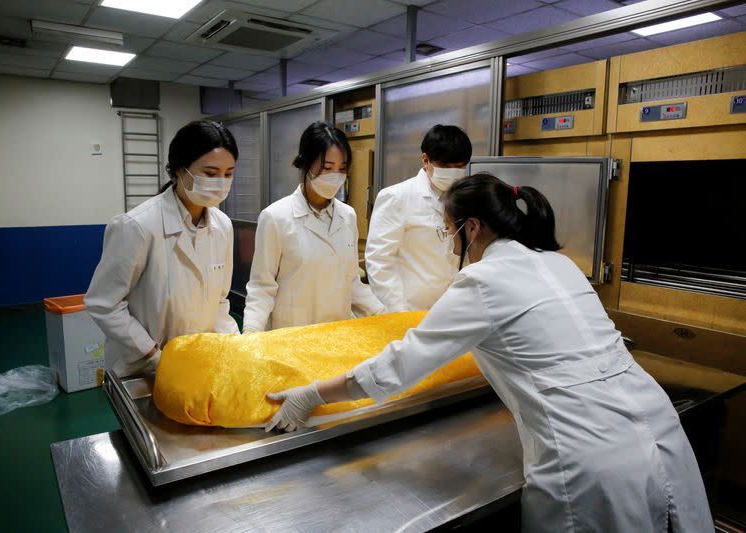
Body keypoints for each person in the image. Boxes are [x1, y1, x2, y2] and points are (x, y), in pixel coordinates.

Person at [264, 173, 714, 532]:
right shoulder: (559, 263)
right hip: (655, 424)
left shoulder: (483, 281)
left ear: (472, 228)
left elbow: (401, 365)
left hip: (589, 451)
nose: (450, 243)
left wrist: (313, 395)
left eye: (448, 232)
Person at [85, 120, 240, 376]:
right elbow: (104, 303)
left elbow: (219, 301)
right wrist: (153, 355)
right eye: (210, 174)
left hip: (199, 364)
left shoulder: (222, 226)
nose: (220, 182)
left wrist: (234, 345)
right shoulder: (138, 226)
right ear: (179, 170)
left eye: (229, 173)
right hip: (143, 367)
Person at [242, 122, 383, 332]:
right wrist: (251, 334)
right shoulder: (276, 217)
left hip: (337, 333)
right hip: (292, 336)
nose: (335, 175)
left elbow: (351, 281)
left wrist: (384, 313)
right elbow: (262, 288)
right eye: (327, 168)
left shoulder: (348, 216)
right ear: (306, 164)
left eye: (342, 168)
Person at [365, 124, 472, 312]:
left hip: (452, 309)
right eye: (446, 166)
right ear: (425, 160)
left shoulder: (466, 199)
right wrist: (399, 310)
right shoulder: (397, 197)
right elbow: (379, 260)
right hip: (409, 309)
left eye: (460, 167)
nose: (454, 173)